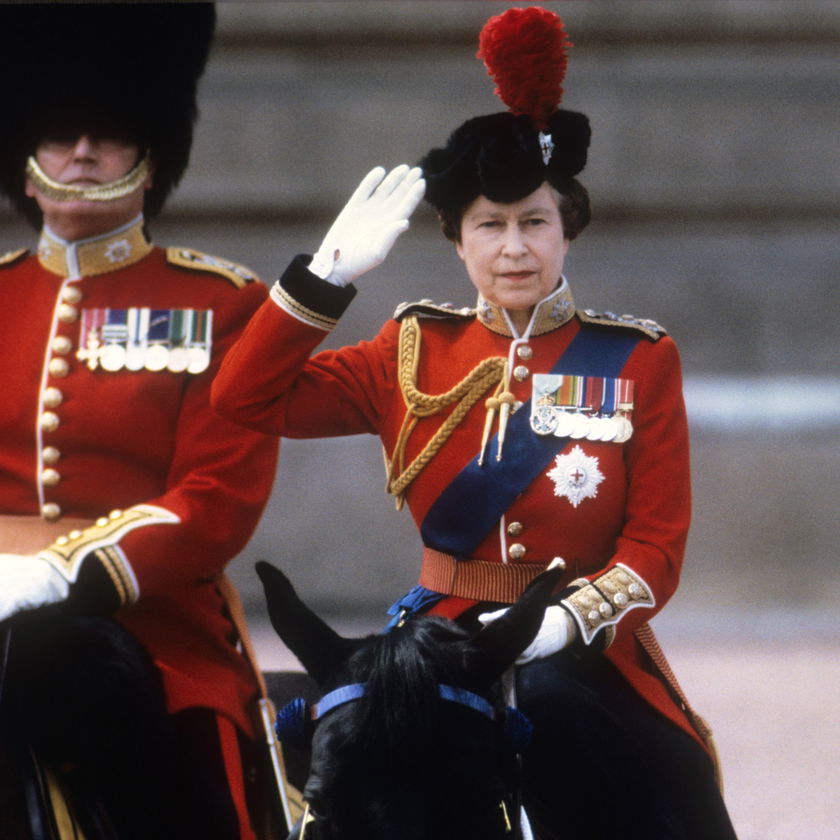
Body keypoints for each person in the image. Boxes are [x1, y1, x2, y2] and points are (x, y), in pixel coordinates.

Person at [213, 7, 737, 839]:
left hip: (586, 646)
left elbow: (657, 548)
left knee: (652, 775)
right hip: (438, 634)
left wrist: (568, 620)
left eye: (535, 221)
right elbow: (242, 400)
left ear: (568, 229)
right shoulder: (412, 347)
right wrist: (324, 279)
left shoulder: (638, 359)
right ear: (458, 243)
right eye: (489, 225)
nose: (515, 248)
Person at [0, 5, 281, 839]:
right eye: (57, 133)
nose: (82, 152)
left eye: (109, 134)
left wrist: (70, 574)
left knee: (194, 773)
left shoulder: (221, 303)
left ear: (150, 158)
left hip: (150, 615)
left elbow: (215, 499)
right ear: (25, 160)